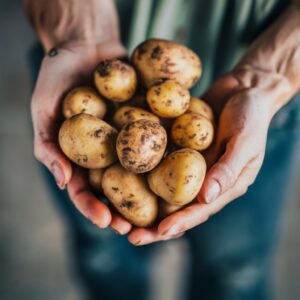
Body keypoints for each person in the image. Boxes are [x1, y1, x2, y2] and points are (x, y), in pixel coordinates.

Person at [23, 0, 300, 299]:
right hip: (79, 59)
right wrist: (73, 27)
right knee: (103, 253)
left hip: (257, 89)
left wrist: (274, 72)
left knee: (234, 268)